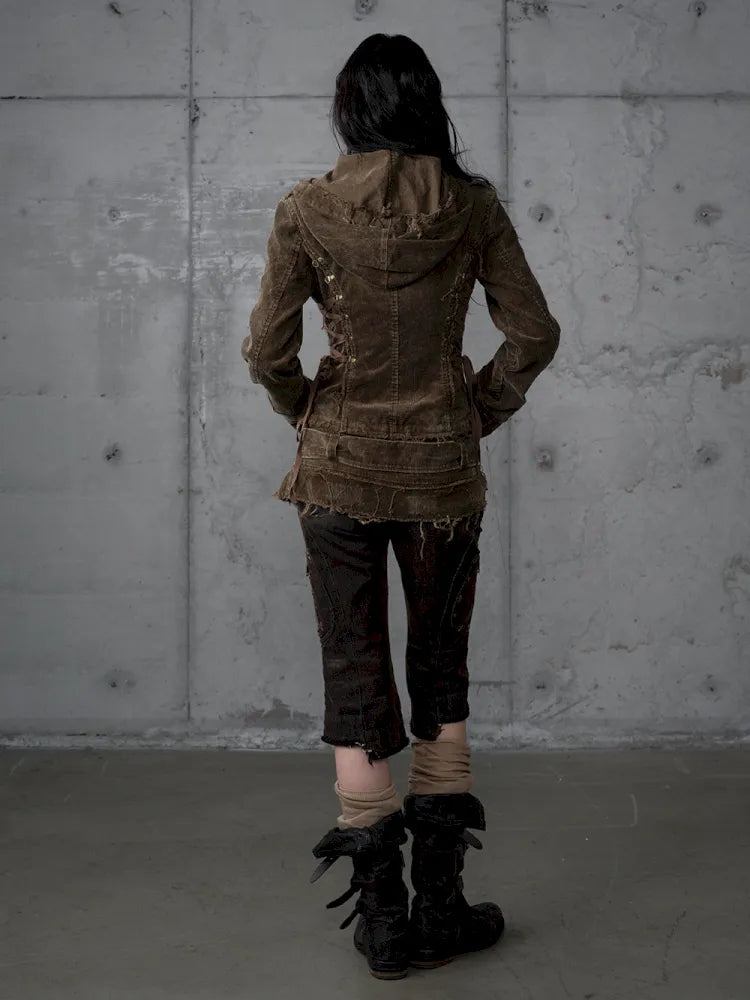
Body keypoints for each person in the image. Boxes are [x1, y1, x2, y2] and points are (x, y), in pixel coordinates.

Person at [240, 33, 561, 980]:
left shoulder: (307, 207)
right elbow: (534, 333)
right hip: (441, 476)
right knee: (440, 671)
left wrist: (311, 414)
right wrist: (474, 411)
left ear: (351, 108)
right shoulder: (473, 208)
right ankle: (441, 909)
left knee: (355, 677)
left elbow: (266, 352)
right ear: (425, 104)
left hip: (336, 473)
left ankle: (383, 924)